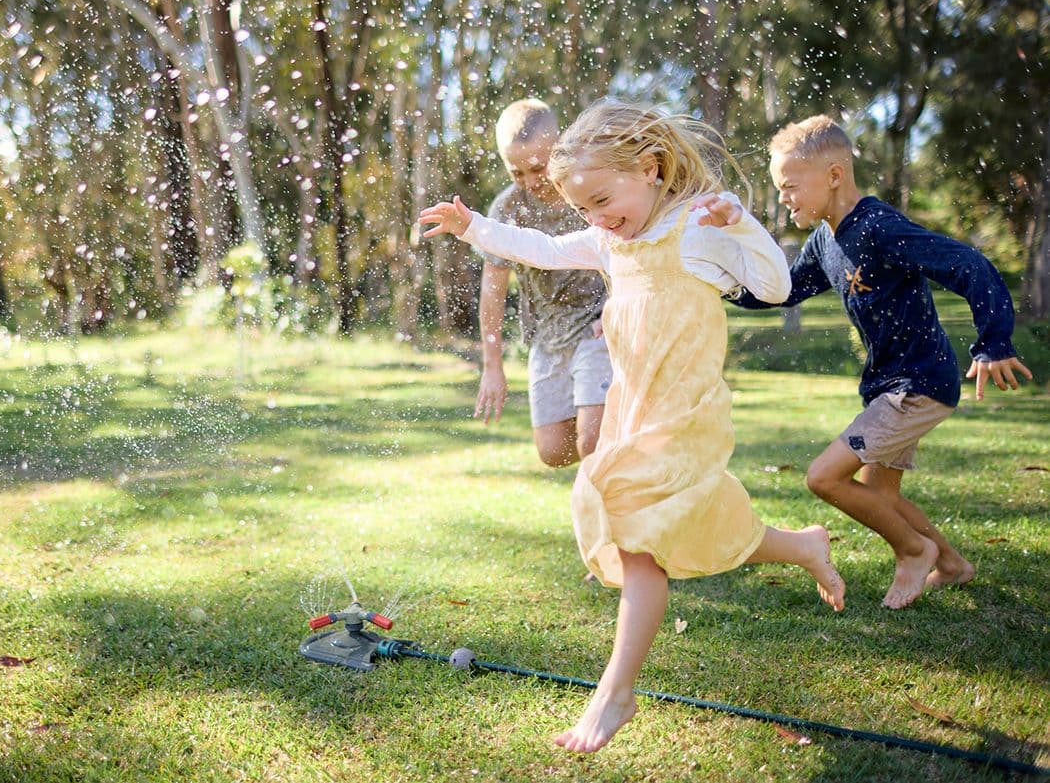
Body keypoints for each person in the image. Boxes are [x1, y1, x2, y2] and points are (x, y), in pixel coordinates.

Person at [419, 99, 845, 754]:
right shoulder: (609, 239)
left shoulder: (697, 228)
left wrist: (742, 225)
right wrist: (472, 224)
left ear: (648, 168)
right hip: (634, 409)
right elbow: (541, 247)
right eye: (584, 208)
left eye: (600, 199)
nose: (594, 218)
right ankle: (802, 545)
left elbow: (776, 285)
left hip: (684, 414)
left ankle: (616, 692)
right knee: (696, 525)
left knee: (640, 544)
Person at [730, 115, 1033, 610]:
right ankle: (952, 564)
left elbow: (969, 264)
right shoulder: (825, 239)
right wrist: (721, 284)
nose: (784, 197)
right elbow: (785, 290)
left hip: (917, 383)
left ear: (833, 174)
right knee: (879, 495)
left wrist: (993, 342)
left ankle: (914, 551)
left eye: (789, 185)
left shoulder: (879, 227)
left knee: (824, 477)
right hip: (889, 385)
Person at [476, 100, 611, 468]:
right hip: (548, 334)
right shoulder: (507, 209)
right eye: (516, 172)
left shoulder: (586, 191)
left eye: (538, 167)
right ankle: (632, 440)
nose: (531, 181)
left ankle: (613, 515)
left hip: (599, 327)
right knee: (554, 452)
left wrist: (619, 311)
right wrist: (493, 366)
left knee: (592, 441)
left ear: (560, 147)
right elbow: (492, 291)